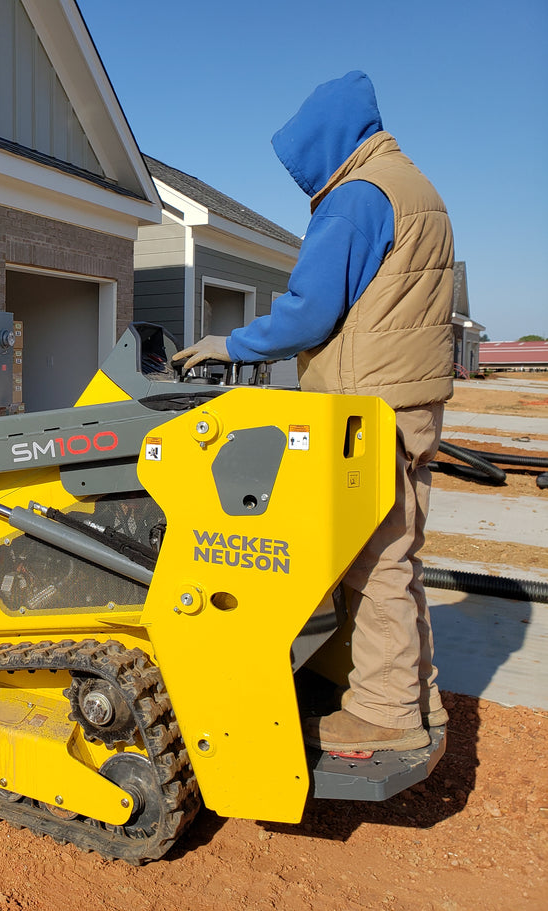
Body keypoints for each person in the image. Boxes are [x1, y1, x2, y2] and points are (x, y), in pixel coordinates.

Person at [172, 71, 454, 753]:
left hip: (369, 409)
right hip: (408, 402)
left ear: (326, 141)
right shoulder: (413, 187)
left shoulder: (359, 196)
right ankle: (417, 698)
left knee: (373, 560)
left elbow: (309, 311)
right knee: (397, 553)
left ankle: (385, 712)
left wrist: (229, 344)